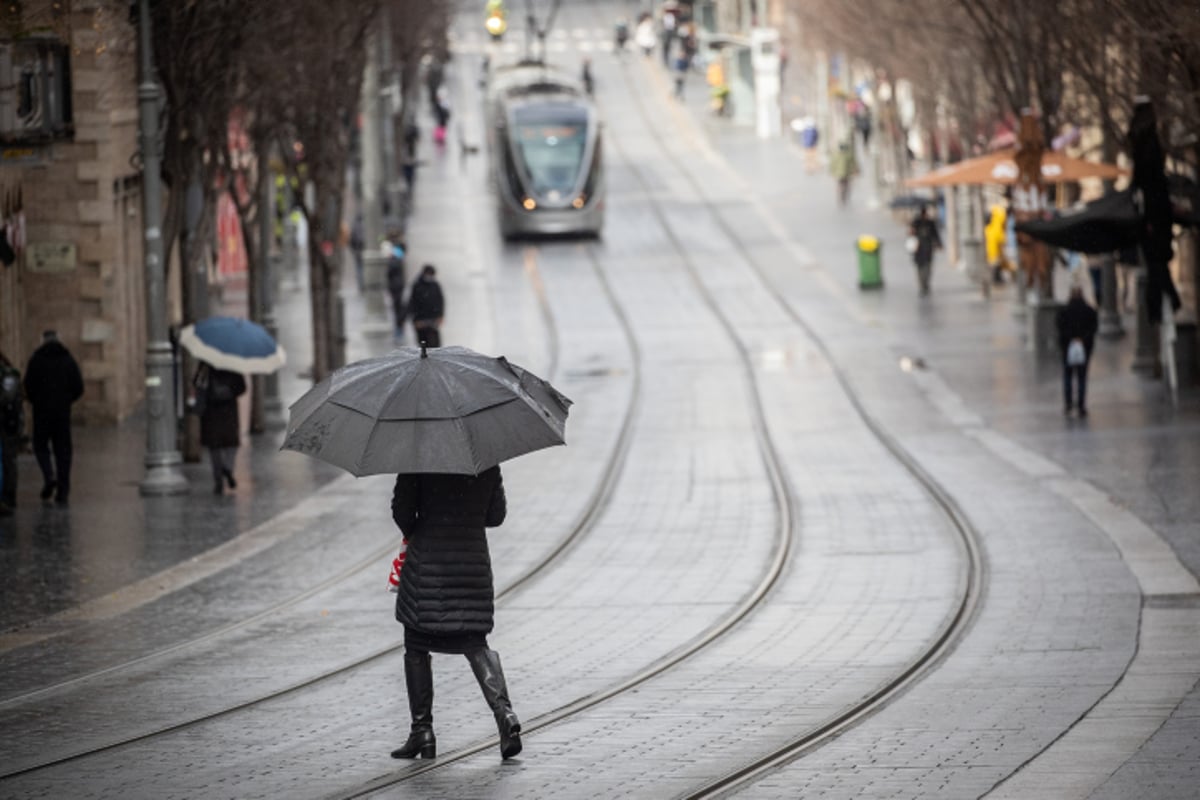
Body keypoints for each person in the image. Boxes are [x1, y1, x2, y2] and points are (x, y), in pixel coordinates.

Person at [389, 466, 521, 761]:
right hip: (472, 566)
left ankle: (421, 731)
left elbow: (402, 513)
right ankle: (505, 714)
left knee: (416, 642)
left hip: (428, 566)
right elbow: (496, 516)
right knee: (475, 642)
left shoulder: (417, 457)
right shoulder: (483, 458)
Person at [23, 331, 83, 507]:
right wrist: (66, 401)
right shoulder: (67, 360)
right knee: (63, 451)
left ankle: (49, 475)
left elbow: (28, 385)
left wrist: (37, 401)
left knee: (40, 445)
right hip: (62, 413)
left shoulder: (36, 360)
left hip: (41, 411)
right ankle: (63, 492)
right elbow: (78, 387)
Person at [193, 362, 246, 495]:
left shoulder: (206, 366)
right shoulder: (233, 365)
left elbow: (196, 383)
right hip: (229, 411)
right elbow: (242, 388)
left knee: (214, 447)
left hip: (211, 412)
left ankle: (218, 482)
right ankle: (228, 468)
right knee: (231, 444)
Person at [1057, 285, 1099, 417]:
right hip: (1084, 348)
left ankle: (1068, 404)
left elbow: (1060, 328)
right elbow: (1093, 328)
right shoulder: (1089, 311)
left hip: (1067, 348)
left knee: (1068, 376)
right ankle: (1081, 406)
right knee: (1082, 377)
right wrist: (1082, 339)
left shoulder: (1064, 311)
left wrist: (1070, 339)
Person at [0, 351, 22, 515]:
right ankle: (8, 496)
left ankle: (7, 498)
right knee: (8, 461)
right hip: (9, 423)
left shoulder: (8, 375)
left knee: (7, 461)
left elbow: (7, 398)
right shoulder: (9, 373)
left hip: (6, 423)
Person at [407, 264, 445, 348]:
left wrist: (440, 316)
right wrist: (416, 320)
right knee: (423, 344)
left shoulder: (435, 285)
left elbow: (440, 301)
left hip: (433, 320)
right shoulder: (417, 286)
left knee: (435, 344)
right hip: (421, 320)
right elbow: (413, 303)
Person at [909, 205, 942, 296]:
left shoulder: (930, 223)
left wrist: (939, 244)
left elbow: (935, 234)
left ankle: (925, 283)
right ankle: (922, 284)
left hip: (927, 248)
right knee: (920, 267)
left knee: (927, 267)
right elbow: (911, 234)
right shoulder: (916, 222)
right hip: (918, 248)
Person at [386, 236, 408, 344]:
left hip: (396, 286)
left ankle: (399, 326)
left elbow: (390, 271)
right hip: (398, 286)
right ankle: (399, 326)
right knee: (397, 307)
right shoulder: (399, 257)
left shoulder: (394, 259)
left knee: (397, 307)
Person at [830, 139, 859, 207]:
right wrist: (855, 170)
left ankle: (841, 195)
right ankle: (843, 195)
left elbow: (832, 164)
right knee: (845, 185)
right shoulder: (848, 154)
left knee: (842, 185)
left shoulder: (836, 154)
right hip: (846, 173)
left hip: (840, 173)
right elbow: (853, 163)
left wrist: (832, 172)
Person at [350, 213, 365, 292]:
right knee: (363, 268)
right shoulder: (365, 226)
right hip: (364, 250)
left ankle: (361, 285)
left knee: (359, 269)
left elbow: (351, 240)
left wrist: (353, 250)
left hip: (357, 251)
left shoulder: (355, 226)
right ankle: (364, 284)